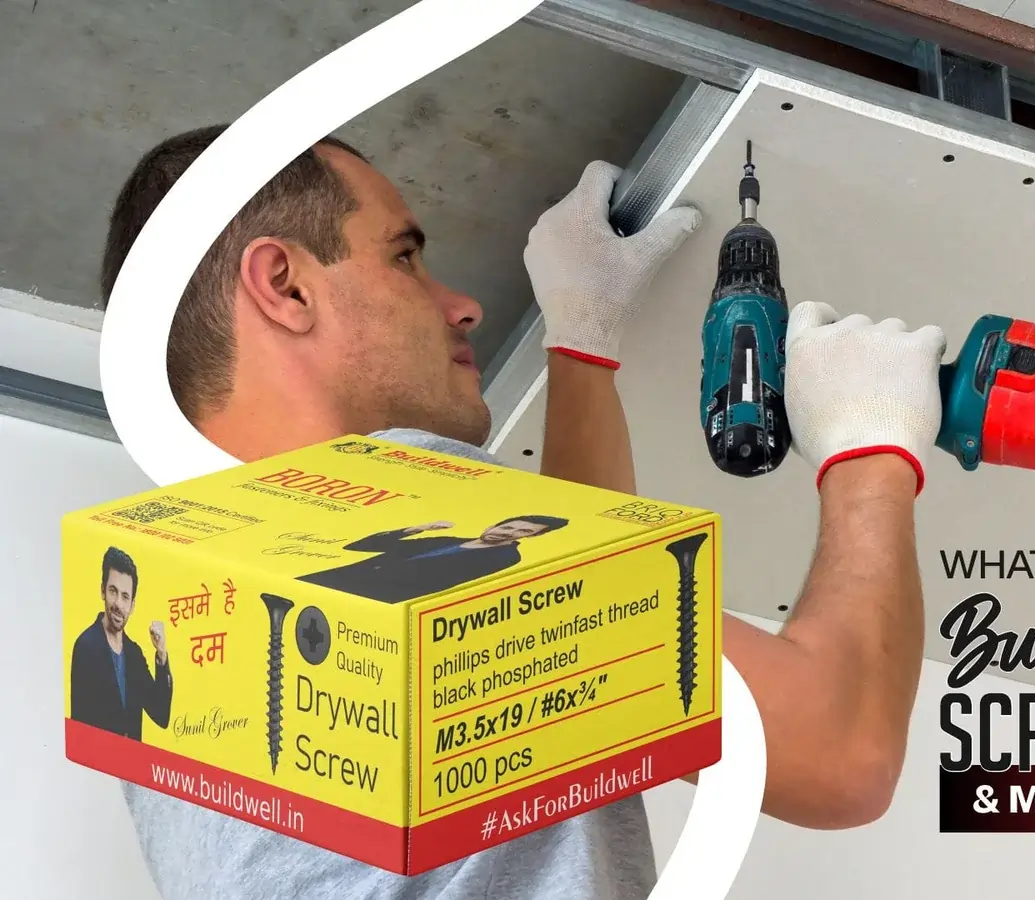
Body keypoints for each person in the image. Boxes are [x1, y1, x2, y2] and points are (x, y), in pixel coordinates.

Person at [99, 124, 946, 900]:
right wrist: (872, 446)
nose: (460, 304)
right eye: (402, 258)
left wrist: (582, 343)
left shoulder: (174, 617)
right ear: (284, 286)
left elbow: (567, 629)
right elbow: (843, 751)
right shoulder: (397, 512)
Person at [295, 514, 569, 602]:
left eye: (524, 531)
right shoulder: (445, 539)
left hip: (370, 601)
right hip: (327, 581)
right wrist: (415, 529)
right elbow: (360, 547)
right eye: (507, 526)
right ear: (494, 525)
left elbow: (439, 587)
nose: (508, 533)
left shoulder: (506, 559)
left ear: (532, 537)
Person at [69, 546, 174, 741]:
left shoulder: (134, 654)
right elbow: (80, 731)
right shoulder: (85, 647)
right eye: (113, 591)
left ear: (132, 605)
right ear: (102, 591)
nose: (118, 603)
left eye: (125, 596)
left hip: (132, 767)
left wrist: (161, 654)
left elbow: (161, 715)